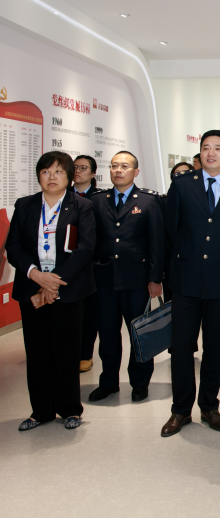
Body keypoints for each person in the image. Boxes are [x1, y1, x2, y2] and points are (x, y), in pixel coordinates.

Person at [162, 129, 220, 437]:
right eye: (206, 148)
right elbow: (171, 229)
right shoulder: (182, 185)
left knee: (215, 348)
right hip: (186, 280)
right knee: (181, 349)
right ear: (200, 152)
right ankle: (180, 410)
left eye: (218, 148)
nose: (211, 153)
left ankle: (209, 406)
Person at [7, 151, 96, 431]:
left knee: (67, 351)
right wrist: (36, 275)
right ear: (39, 176)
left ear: (69, 176)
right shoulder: (25, 205)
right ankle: (41, 411)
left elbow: (85, 248)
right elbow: (14, 247)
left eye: (58, 171)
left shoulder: (81, 206)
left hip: (67, 289)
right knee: (37, 353)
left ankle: (70, 409)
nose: (52, 177)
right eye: (46, 172)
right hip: (31, 286)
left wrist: (54, 281)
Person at [87, 151, 164, 404]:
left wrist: (155, 278)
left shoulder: (149, 201)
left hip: (137, 281)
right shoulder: (98, 201)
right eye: (114, 166)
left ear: (135, 172)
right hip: (105, 281)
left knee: (139, 334)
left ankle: (140, 382)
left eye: (124, 166)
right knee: (108, 335)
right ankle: (108, 382)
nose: (118, 170)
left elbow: (156, 242)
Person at [73, 155, 104, 373]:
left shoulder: (100, 198)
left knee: (89, 313)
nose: (78, 171)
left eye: (83, 168)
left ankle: (85, 354)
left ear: (93, 173)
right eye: (75, 167)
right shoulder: (63, 195)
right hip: (66, 262)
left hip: (92, 262)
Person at [161, 162, 194, 305]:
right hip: (172, 262)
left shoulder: (203, 201)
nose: (180, 176)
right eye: (177, 173)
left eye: (185, 173)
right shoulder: (162, 201)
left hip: (194, 261)